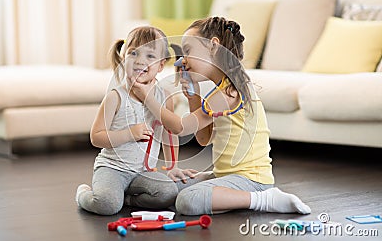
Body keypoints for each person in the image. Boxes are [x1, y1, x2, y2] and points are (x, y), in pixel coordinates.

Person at [130, 17, 312, 216]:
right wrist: (193, 96)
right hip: (226, 175)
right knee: (168, 188)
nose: (183, 60)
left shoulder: (229, 93)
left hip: (252, 181)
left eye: (189, 51)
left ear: (213, 46)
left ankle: (265, 198)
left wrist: (147, 97)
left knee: (187, 200)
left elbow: (180, 128)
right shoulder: (222, 89)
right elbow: (203, 138)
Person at [75, 26, 196, 215]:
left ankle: (127, 199)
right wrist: (129, 134)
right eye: (134, 53)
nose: (140, 61)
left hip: (144, 173)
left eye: (150, 56)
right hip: (112, 168)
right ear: (124, 59)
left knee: (168, 193)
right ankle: (84, 194)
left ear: (161, 65)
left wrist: (173, 166)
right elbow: (96, 137)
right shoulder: (116, 97)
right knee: (107, 205)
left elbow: (169, 133)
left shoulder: (165, 97)